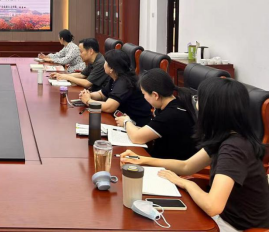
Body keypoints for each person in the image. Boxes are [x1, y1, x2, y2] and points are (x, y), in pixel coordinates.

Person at [121, 78, 269, 232]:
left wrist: (187, 184)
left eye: (199, 99)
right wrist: (143, 160)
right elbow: (187, 166)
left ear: (212, 108)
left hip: (237, 227)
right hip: (224, 217)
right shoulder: (225, 137)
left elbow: (212, 206)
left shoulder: (234, 148)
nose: (196, 104)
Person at [115, 68, 198, 159]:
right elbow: (157, 129)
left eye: (144, 94)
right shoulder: (176, 103)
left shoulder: (171, 114)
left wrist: (126, 121)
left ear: (155, 95)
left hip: (165, 164)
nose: (144, 97)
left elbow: (136, 138)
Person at [79, 49, 152, 126]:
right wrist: (88, 95)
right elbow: (102, 94)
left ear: (112, 69)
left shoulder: (124, 82)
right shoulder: (116, 76)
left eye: (105, 62)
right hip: (121, 120)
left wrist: (88, 101)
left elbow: (109, 107)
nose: (104, 64)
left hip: (136, 125)